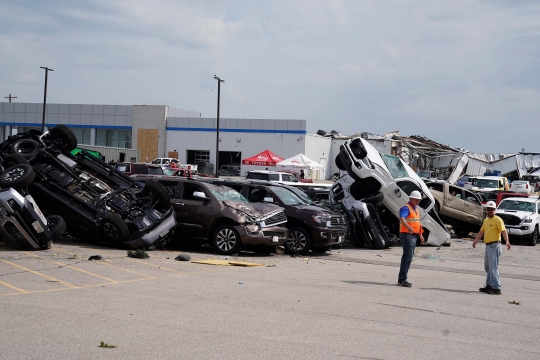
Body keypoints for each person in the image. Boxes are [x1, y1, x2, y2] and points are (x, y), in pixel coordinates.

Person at [472, 200, 511, 295]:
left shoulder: (498, 220)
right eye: (488, 209)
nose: (489, 211)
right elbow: (482, 231)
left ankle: (496, 287)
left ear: (495, 210)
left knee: (493, 267)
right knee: (488, 267)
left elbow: (503, 231)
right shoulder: (486, 220)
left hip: (494, 245)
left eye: (492, 209)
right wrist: (476, 240)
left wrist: (507, 241)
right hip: (488, 246)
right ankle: (489, 285)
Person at [397, 190, 424, 287]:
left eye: (419, 200)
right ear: (411, 199)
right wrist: (408, 227)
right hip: (407, 235)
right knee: (407, 257)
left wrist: (421, 235)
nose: (418, 202)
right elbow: (402, 218)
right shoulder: (406, 208)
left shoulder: (416, 209)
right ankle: (402, 279)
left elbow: (418, 223)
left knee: (408, 257)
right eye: (416, 200)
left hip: (413, 235)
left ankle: (402, 279)